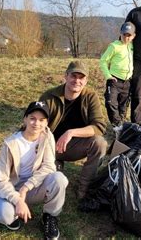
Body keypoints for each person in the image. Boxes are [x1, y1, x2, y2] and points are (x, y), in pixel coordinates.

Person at [0, 101, 67, 239]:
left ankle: (49, 216)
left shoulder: (47, 136)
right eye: (32, 118)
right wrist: (18, 200)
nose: (36, 123)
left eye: (41, 120)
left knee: (59, 179)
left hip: (33, 185)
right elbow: (1, 180)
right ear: (25, 119)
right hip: (13, 187)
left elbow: (49, 166)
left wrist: (26, 188)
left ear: (46, 123)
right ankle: (3, 203)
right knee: (6, 215)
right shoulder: (10, 144)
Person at [39, 61, 107, 201]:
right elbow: (35, 123)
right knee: (50, 184)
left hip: (75, 146)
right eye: (73, 76)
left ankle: (84, 189)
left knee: (99, 143)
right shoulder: (49, 97)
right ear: (66, 76)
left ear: (86, 80)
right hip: (49, 147)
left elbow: (99, 126)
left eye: (81, 77)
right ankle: (54, 164)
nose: (77, 81)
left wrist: (70, 133)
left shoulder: (90, 97)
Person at [99, 22, 136, 127]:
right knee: (111, 103)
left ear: (133, 36)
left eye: (129, 35)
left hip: (128, 82)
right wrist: (108, 76)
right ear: (120, 33)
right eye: (124, 34)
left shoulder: (133, 46)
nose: (126, 37)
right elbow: (103, 61)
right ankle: (117, 126)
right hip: (114, 81)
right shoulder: (114, 46)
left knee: (123, 107)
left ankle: (121, 126)